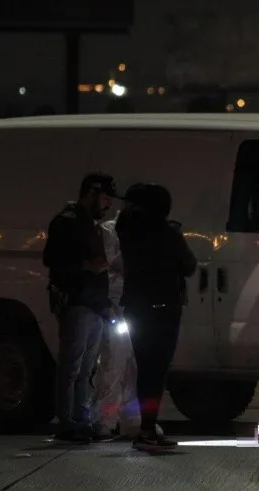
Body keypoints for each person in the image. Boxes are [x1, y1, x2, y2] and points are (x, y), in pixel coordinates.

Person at [116, 183, 198, 451]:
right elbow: (189, 266)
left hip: (137, 309)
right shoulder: (168, 233)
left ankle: (146, 428)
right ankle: (148, 429)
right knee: (157, 373)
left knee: (144, 371)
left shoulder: (127, 231)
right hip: (164, 310)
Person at [42, 173, 117, 443]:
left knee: (86, 369)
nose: (108, 205)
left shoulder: (89, 224)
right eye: (106, 198)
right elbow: (51, 259)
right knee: (71, 367)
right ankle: (67, 422)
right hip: (76, 303)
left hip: (94, 305)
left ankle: (81, 420)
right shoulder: (67, 222)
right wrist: (84, 266)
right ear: (92, 193)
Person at [91, 184, 147, 442]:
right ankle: (104, 421)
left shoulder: (141, 232)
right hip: (116, 303)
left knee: (133, 366)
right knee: (113, 362)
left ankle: (130, 422)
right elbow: (113, 266)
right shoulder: (109, 231)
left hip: (135, 305)